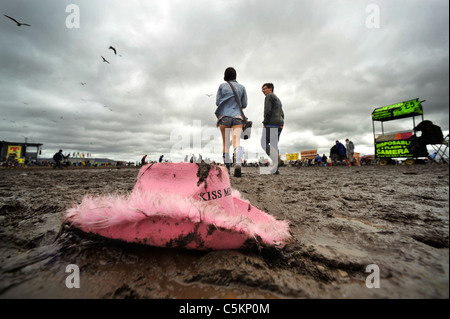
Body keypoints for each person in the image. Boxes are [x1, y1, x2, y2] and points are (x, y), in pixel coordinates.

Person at [215, 67, 248, 177]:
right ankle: (238, 164)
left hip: (224, 117)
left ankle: (227, 168)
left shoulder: (222, 86)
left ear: (225, 76)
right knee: (236, 142)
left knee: (225, 143)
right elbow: (244, 104)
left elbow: (217, 102)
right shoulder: (242, 87)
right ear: (235, 76)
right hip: (238, 117)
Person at [260, 83, 284, 174]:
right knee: (274, 145)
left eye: (265, 88)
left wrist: (265, 123)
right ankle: (275, 169)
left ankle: (277, 160)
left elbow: (267, 110)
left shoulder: (269, 96)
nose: (263, 91)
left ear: (271, 88)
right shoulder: (278, 99)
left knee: (263, 143)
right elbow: (282, 113)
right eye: (262, 89)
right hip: (279, 124)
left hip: (271, 124)